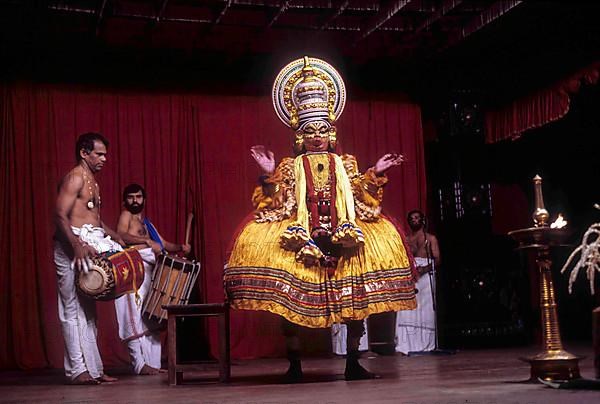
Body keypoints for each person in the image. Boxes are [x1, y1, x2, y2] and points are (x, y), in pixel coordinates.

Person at [224, 56, 416, 382]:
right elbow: (273, 202)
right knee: (290, 304)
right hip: (301, 236)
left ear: (332, 131)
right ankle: (295, 364)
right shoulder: (289, 166)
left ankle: (353, 361)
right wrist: (270, 174)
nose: (316, 136)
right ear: (299, 134)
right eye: (309, 131)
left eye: (322, 130)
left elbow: (359, 194)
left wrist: (375, 173)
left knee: (356, 303)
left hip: (346, 233)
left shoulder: (346, 163)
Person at [54, 132, 124, 385]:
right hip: (71, 244)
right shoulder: (74, 178)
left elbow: (93, 220)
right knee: (71, 309)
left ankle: (93, 369)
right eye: (99, 154)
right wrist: (76, 246)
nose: (105, 159)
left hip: (89, 242)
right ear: (84, 153)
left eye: (105, 154)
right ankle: (77, 370)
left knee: (89, 309)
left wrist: (115, 236)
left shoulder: (93, 181)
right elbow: (60, 215)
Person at [115, 183, 191, 375]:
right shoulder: (126, 215)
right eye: (131, 197)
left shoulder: (147, 223)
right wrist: (146, 241)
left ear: (144, 200)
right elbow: (121, 235)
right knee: (133, 316)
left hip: (150, 272)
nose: (134, 200)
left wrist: (181, 246)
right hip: (134, 270)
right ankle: (139, 364)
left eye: (138, 197)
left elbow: (163, 244)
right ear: (125, 201)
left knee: (150, 317)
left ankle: (152, 364)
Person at [395, 209, 441, 354]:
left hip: (426, 276)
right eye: (411, 218)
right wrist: (412, 271)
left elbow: (437, 259)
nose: (414, 220)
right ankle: (406, 345)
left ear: (422, 220)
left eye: (417, 217)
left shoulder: (430, 239)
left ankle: (426, 343)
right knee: (407, 309)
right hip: (410, 275)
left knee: (425, 309)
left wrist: (425, 269)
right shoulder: (406, 240)